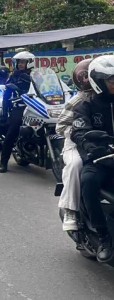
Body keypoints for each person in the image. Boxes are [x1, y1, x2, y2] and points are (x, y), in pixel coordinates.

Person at [71, 55, 114, 263]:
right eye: (111, 80)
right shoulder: (86, 106)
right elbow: (78, 132)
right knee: (88, 182)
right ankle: (104, 236)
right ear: (98, 82)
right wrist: (92, 147)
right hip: (101, 159)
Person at [56, 59, 94, 232]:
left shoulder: (107, 98)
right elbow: (61, 127)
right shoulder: (77, 101)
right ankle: (70, 210)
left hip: (103, 141)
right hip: (75, 143)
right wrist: (80, 130)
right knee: (75, 165)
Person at [0, 51, 35, 173]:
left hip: (37, 106)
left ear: (29, 63)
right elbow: (6, 95)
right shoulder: (14, 76)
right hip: (20, 106)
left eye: (23, 62)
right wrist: (4, 113)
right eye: (19, 62)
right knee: (13, 130)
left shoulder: (37, 75)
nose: (20, 64)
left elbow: (47, 86)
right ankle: (3, 162)